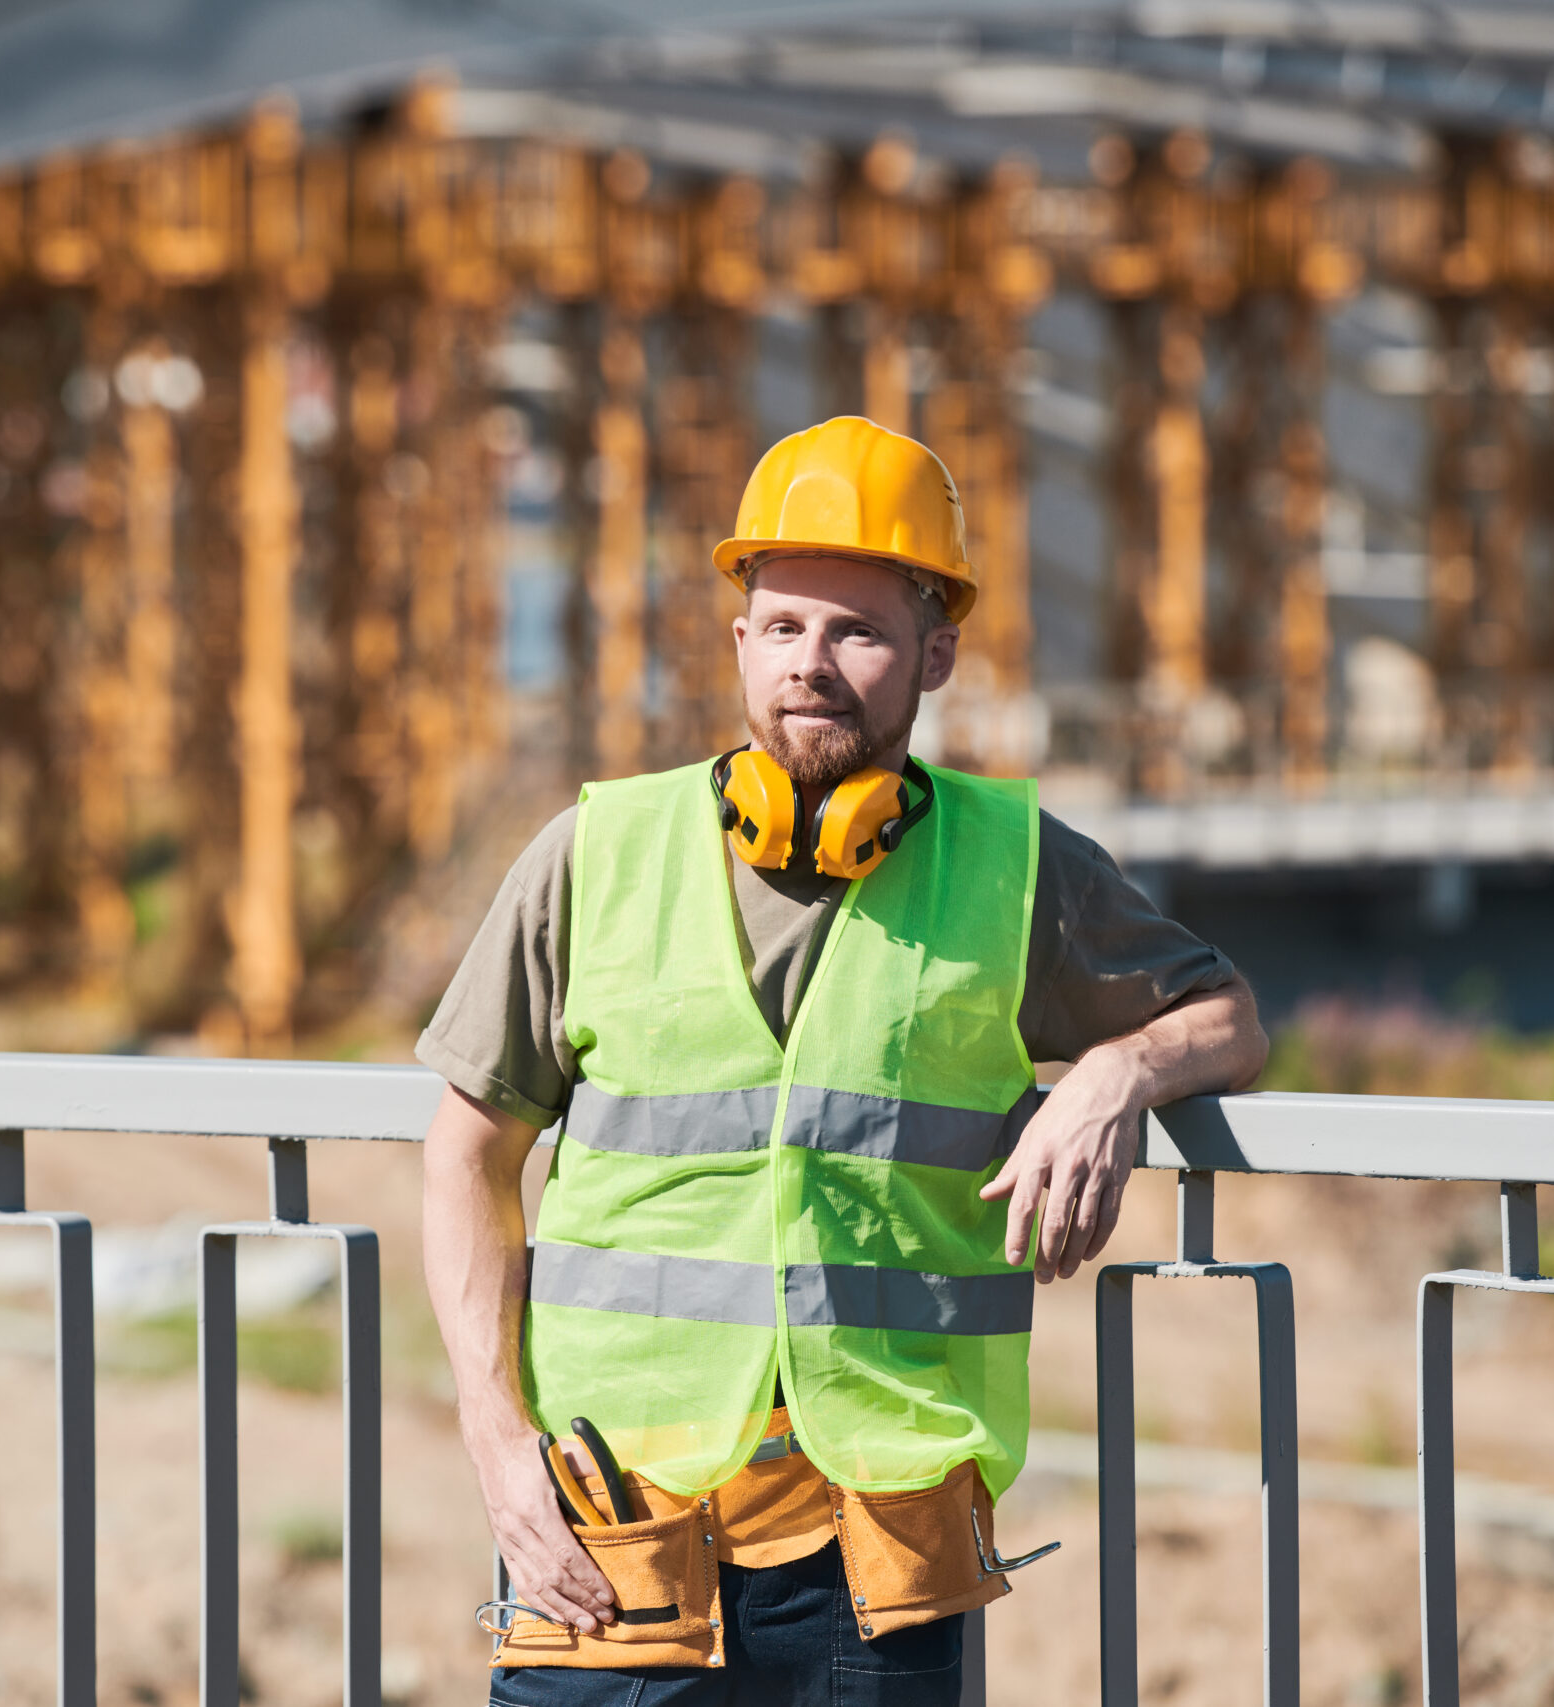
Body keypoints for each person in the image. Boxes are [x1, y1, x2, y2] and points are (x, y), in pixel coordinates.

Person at [420, 415, 1267, 1704]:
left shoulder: (1014, 865)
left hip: (874, 1542)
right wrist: (495, 1446)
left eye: (856, 632)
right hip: (607, 1528)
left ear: (936, 653)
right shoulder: (599, 853)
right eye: (781, 626)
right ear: (742, 638)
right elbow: (466, 1152)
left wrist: (1114, 1075)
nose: (810, 666)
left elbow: (1229, 1016)